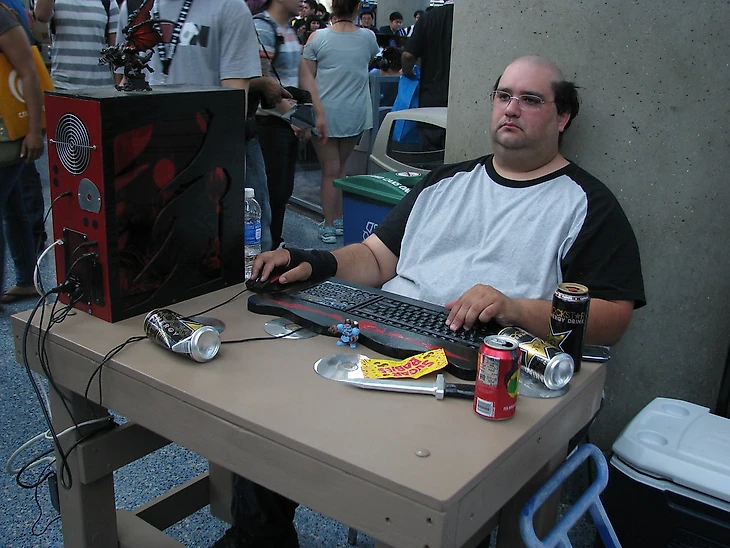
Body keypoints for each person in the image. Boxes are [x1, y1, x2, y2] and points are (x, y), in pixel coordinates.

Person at [253, 55, 646, 346]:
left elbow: (613, 320)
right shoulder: (444, 181)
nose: (511, 109)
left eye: (530, 100)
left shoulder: (587, 205)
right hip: (382, 336)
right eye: (503, 96)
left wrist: (516, 309)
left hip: (485, 363)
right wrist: (312, 261)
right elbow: (375, 258)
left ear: (563, 117)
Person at [116, 0, 285, 252]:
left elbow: (233, 106)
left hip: (210, 159)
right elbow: (122, 83)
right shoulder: (134, 6)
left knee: (243, 251)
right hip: (148, 160)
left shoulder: (228, 7)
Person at [299, 0, 379, 244]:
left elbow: (306, 78)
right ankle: (340, 220)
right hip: (354, 112)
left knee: (329, 171)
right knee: (341, 168)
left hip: (324, 112)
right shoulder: (368, 38)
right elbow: (368, 60)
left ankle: (328, 225)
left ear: (333, 7)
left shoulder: (317, 38)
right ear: (358, 7)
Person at [0, 0, 45, 305]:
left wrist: (34, 130)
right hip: (7, 129)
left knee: (11, 206)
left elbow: (29, 72)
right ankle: (27, 280)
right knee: (13, 206)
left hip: (8, 131)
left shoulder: (2, 16)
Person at [253, 0, 307, 250]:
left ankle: (275, 243)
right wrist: (295, 117)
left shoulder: (288, 28)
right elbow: (263, 81)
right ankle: (266, 248)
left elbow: (300, 74)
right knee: (271, 192)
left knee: (282, 191)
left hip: (287, 122)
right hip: (269, 122)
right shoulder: (263, 28)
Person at [401, 0, 453, 149]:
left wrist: (407, 72)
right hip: (465, 105)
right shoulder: (474, 17)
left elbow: (408, 56)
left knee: (430, 156)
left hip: (432, 101)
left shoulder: (429, 18)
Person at [33, 0, 119, 89]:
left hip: (101, 88)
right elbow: (41, 15)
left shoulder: (109, 2)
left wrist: (118, 90)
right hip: (63, 86)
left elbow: (116, 51)